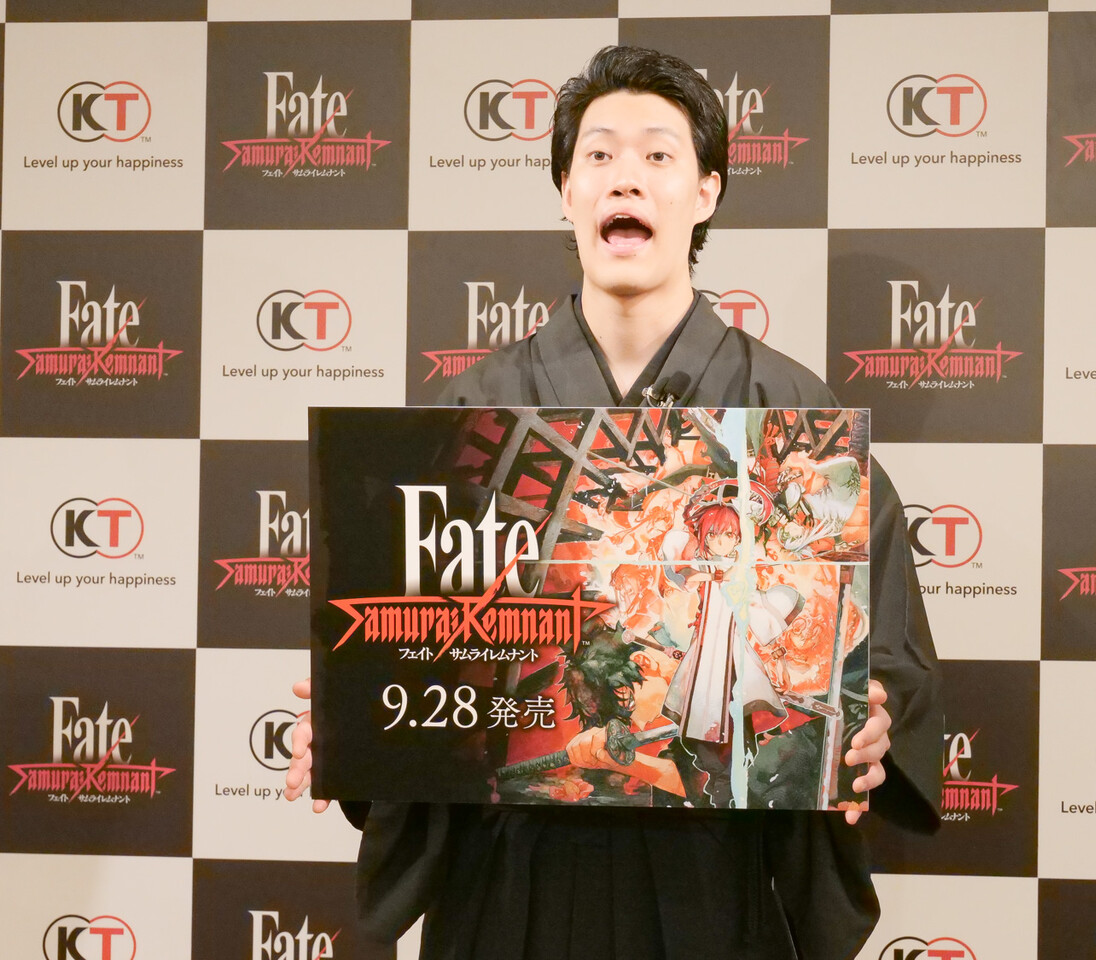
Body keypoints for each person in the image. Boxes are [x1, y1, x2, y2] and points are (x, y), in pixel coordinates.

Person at [286, 44, 941, 960]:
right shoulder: (466, 417)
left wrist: (871, 722)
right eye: (597, 155)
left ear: (705, 192)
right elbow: (410, 649)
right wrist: (359, 717)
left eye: (658, 155)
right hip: (507, 881)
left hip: (712, 880)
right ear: (567, 191)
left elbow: (889, 656)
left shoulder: (794, 417)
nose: (624, 176)